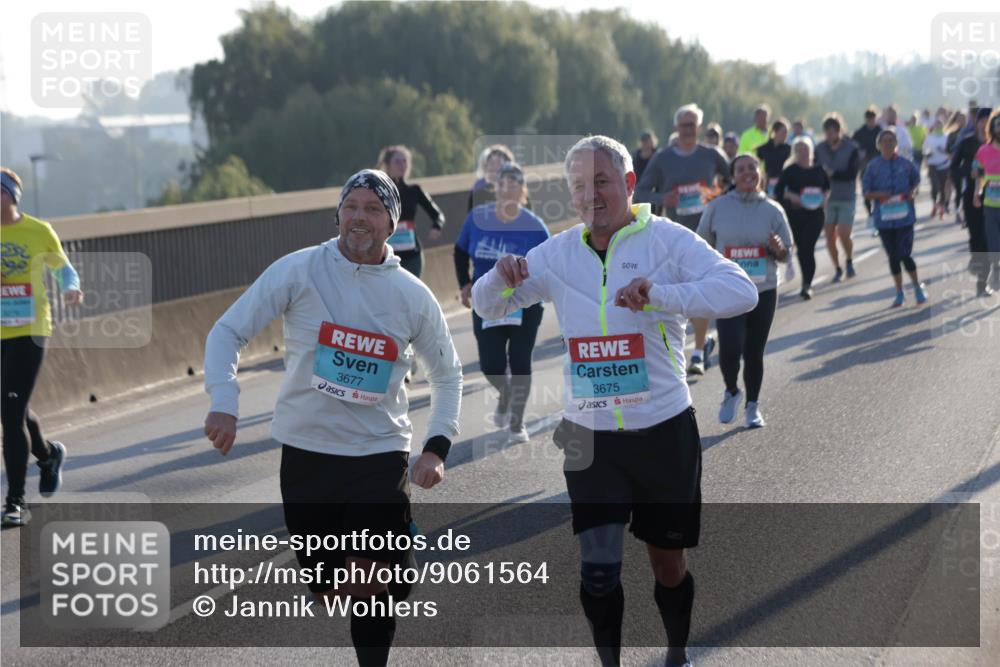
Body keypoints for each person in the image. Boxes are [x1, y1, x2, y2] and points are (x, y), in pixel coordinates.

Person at [473, 135, 757, 667]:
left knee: (667, 564)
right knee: (598, 568)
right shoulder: (556, 254)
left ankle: (677, 651)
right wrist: (499, 276)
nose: (590, 195)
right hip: (588, 435)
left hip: (662, 427)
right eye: (579, 186)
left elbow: (740, 290)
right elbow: (490, 307)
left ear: (628, 184)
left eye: (602, 182)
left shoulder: (667, 241)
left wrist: (661, 296)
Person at [203, 169, 463, 667]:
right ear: (337, 214)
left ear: (392, 222)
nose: (359, 218)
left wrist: (436, 447)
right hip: (307, 453)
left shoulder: (412, 295)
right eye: (351, 207)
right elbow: (227, 331)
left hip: (378, 453)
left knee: (368, 581)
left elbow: (447, 375)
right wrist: (224, 401)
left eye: (372, 209)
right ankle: (395, 556)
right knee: (329, 591)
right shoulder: (298, 271)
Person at [1, 167, 81, 526]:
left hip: (31, 330)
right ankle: (47, 456)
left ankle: (15, 502)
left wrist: (70, 287)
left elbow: (64, 269)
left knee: (10, 411)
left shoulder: (38, 231)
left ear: (11, 196)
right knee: (12, 405)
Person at [454, 163, 549, 443]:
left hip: (524, 304)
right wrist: (464, 283)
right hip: (486, 302)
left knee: (520, 361)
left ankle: (517, 423)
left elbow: (549, 262)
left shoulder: (534, 226)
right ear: (496, 188)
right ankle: (505, 394)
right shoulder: (477, 218)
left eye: (514, 183)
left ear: (522, 190)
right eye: (503, 183)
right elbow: (459, 251)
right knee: (490, 364)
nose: (508, 188)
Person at [635, 103, 731, 376]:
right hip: (671, 237)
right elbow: (640, 191)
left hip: (705, 232)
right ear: (676, 128)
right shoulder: (663, 159)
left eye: (692, 125)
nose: (688, 130)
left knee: (698, 290)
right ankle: (679, 350)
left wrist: (716, 194)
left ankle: (698, 352)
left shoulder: (712, 155)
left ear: (698, 128)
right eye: (683, 125)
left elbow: (730, 180)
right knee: (672, 297)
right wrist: (662, 198)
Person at [699, 154, 792, 428]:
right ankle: (731, 391)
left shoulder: (773, 210)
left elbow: (787, 253)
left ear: (760, 173)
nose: (748, 173)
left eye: (753, 168)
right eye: (741, 169)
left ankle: (753, 405)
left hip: (763, 289)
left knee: (753, 351)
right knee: (729, 349)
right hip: (728, 289)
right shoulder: (717, 208)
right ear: (732, 176)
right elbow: (701, 244)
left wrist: (779, 249)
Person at [862, 129, 927, 308]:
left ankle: (916, 286)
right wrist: (879, 194)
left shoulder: (906, 164)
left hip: (904, 217)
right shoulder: (873, 167)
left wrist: (912, 192)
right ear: (879, 145)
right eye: (885, 141)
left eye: (891, 140)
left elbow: (916, 180)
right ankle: (899, 292)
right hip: (884, 218)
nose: (888, 144)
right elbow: (866, 192)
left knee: (904, 254)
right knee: (893, 256)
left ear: (896, 143)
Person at [375, 145, 446, 278]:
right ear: (387, 164)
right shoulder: (378, 192)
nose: (402, 165)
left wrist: (437, 227)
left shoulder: (415, 190)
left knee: (412, 296)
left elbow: (438, 215)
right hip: (386, 257)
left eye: (405, 161)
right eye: (397, 161)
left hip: (413, 256)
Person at [776, 138, 830, 299]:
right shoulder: (790, 170)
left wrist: (825, 199)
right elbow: (779, 192)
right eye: (799, 149)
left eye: (805, 149)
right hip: (796, 214)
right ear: (795, 153)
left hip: (815, 215)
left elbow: (827, 188)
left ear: (811, 151)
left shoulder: (819, 170)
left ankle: (807, 284)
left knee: (808, 246)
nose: (803, 152)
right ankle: (806, 282)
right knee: (802, 250)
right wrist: (791, 196)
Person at [814, 113, 861, 282]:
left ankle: (849, 260)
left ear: (839, 131)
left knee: (843, 232)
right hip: (827, 199)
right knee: (829, 237)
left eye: (832, 132)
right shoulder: (819, 149)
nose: (829, 135)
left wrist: (833, 173)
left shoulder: (852, 148)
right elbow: (814, 170)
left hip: (846, 196)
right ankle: (837, 267)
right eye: (827, 132)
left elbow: (852, 173)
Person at [954, 107, 992, 295]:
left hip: (995, 197)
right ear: (976, 122)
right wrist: (968, 172)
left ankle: (983, 277)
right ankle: (980, 276)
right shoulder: (967, 142)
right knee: (977, 238)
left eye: (989, 119)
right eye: (982, 120)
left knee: (990, 239)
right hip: (972, 196)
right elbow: (954, 166)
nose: (985, 123)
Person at [972, 108, 1000, 294]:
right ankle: (996, 269)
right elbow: (977, 174)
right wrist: (977, 192)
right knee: (994, 245)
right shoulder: (983, 151)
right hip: (991, 206)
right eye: (999, 125)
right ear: (993, 128)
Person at [852, 106, 882, 221]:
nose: (871, 121)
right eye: (868, 119)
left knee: (878, 188)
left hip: (879, 164)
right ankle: (869, 212)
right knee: (866, 189)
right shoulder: (860, 132)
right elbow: (853, 146)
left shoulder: (880, 131)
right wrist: (859, 151)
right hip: (865, 165)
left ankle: (878, 209)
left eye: (872, 119)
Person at [468, 144, 515, 212]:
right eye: (491, 163)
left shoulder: (517, 191)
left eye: (499, 163)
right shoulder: (478, 191)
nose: (493, 168)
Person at [756, 118, 791, 199]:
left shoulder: (789, 149)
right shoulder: (764, 149)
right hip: (767, 184)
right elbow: (758, 166)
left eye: (786, 132)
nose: (785, 135)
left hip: (784, 184)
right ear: (775, 132)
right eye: (783, 132)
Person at [923, 119, 952, 219]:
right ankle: (934, 204)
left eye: (940, 124)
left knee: (943, 187)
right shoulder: (929, 137)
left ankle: (942, 208)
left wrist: (943, 151)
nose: (938, 126)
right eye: (936, 124)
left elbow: (950, 151)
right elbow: (924, 150)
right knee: (935, 187)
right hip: (932, 165)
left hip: (944, 164)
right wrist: (927, 154)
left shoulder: (946, 136)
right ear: (934, 126)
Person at [945, 111, 967, 223]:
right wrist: (953, 157)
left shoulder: (970, 133)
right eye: (960, 119)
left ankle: (967, 212)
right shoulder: (952, 135)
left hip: (967, 166)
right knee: (958, 191)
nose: (962, 121)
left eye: (964, 118)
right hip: (956, 167)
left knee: (967, 190)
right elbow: (947, 151)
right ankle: (958, 213)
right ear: (956, 120)